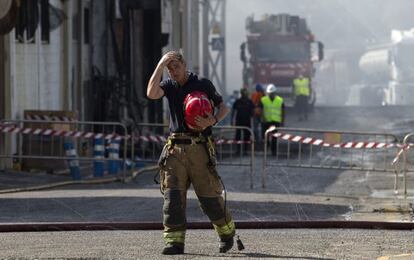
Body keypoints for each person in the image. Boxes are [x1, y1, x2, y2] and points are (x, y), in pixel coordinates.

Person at [147, 51, 237, 255]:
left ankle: (226, 235)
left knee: (209, 198)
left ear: (184, 64)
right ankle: (175, 242)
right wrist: (160, 65)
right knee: (173, 198)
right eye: (170, 69)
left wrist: (212, 120)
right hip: (175, 149)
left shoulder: (203, 83)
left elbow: (224, 107)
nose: (173, 72)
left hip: (199, 148)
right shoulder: (169, 86)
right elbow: (151, 94)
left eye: (176, 67)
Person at [259, 84, 285, 155]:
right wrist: (262, 118)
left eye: (272, 93)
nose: (271, 94)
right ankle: (266, 148)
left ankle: (274, 151)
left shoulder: (280, 100)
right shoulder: (263, 100)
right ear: (267, 93)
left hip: (275, 121)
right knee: (265, 137)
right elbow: (260, 110)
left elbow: (283, 111)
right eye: (270, 93)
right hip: (266, 121)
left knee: (274, 137)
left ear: (275, 93)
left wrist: (282, 121)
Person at [231, 88, 254, 154]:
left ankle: (245, 150)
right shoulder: (237, 102)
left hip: (247, 122)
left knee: (246, 136)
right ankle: (238, 150)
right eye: (243, 93)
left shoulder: (250, 102)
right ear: (241, 94)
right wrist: (232, 121)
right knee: (238, 136)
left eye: (245, 93)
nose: (244, 94)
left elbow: (253, 112)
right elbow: (233, 111)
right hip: (239, 121)